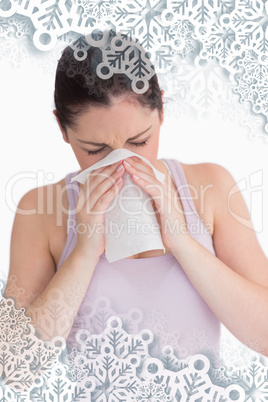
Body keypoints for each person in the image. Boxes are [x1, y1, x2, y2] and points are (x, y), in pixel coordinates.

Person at [4, 29, 268, 360]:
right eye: (96, 149)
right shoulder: (40, 211)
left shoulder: (211, 186)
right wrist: (84, 253)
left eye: (139, 141)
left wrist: (183, 242)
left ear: (161, 110)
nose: (122, 163)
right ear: (62, 129)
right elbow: (16, 368)